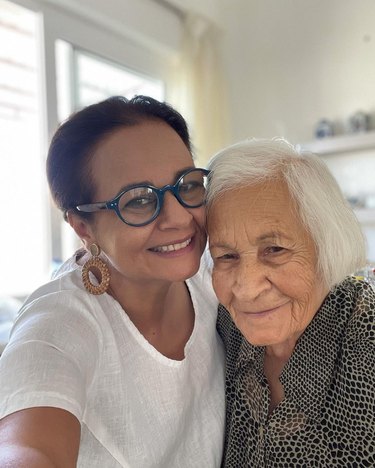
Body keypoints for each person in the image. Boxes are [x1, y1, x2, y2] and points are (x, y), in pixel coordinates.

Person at [0, 96, 225, 467]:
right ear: (83, 226)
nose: (179, 218)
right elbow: (25, 449)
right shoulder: (59, 323)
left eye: (186, 185)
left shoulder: (212, 272)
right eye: (138, 200)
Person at [205, 138, 375, 467]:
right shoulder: (225, 326)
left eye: (276, 249)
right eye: (226, 256)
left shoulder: (367, 333)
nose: (247, 289)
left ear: (327, 246)